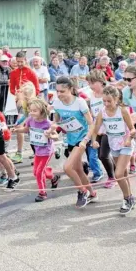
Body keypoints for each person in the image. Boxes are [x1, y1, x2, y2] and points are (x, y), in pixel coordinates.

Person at [90, 85, 136, 214]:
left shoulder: (122, 111)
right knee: (124, 173)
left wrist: (129, 138)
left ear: (116, 99)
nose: (106, 103)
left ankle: (127, 199)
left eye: (109, 101)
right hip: (114, 145)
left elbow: (133, 129)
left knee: (118, 174)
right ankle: (130, 196)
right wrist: (94, 140)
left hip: (126, 144)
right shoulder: (102, 112)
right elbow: (95, 128)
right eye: (104, 101)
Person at [53, 77, 98, 208]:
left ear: (71, 89)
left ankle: (82, 191)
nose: (59, 94)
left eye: (62, 91)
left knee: (67, 167)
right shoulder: (56, 103)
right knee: (78, 169)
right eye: (58, 91)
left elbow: (91, 124)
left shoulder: (80, 102)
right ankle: (92, 193)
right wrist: (52, 130)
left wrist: (85, 140)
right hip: (70, 139)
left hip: (81, 139)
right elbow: (56, 122)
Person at [12, 98, 60, 202]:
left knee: (39, 173)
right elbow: (26, 129)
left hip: (47, 151)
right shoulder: (30, 119)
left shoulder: (47, 123)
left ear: (42, 111)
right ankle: (53, 177)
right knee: (36, 172)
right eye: (31, 110)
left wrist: (49, 135)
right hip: (37, 150)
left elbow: (56, 137)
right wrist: (17, 130)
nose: (31, 112)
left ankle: (42, 193)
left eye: (34, 111)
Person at [86, 71, 115, 187]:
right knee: (101, 155)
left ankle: (112, 178)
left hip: (109, 128)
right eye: (89, 83)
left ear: (101, 81)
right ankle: (117, 173)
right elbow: (93, 113)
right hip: (97, 128)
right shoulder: (92, 95)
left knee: (103, 155)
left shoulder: (109, 93)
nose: (91, 86)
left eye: (93, 82)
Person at [9, 82, 37, 164]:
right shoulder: (24, 103)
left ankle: (39, 158)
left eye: (20, 92)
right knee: (32, 142)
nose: (17, 93)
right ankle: (37, 157)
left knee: (37, 143)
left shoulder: (34, 103)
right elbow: (25, 115)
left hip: (37, 126)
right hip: (31, 126)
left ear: (25, 95)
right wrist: (18, 122)